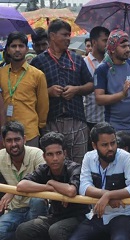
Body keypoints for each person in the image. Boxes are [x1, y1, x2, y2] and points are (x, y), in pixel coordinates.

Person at [65, 122, 130, 240]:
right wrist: (108, 195)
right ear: (94, 146)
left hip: (122, 213)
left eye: (113, 143)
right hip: (98, 214)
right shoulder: (89, 158)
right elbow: (84, 187)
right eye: (105, 145)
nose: (111, 148)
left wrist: (108, 196)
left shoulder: (125, 157)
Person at [16, 132, 89, 240]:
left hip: (79, 217)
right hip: (56, 216)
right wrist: (49, 187)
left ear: (64, 154)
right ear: (44, 156)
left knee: (56, 231)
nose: (55, 158)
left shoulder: (74, 167)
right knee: (23, 230)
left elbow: (71, 191)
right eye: (50, 154)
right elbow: (22, 185)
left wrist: (51, 182)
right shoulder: (43, 169)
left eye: (58, 153)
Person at [30, 19, 94, 164]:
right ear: (52, 36)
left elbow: (91, 85)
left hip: (76, 120)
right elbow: (30, 93)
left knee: (79, 166)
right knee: (54, 166)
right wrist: (47, 92)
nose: (68, 38)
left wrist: (77, 89)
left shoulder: (77, 59)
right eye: (64, 35)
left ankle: (76, 188)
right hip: (50, 121)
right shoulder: (38, 62)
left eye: (69, 35)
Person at [94, 29, 130, 169]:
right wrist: (122, 95)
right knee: (118, 169)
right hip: (115, 130)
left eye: (128, 45)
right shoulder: (102, 69)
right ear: (112, 49)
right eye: (123, 46)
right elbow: (99, 98)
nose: (128, 49)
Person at [0, 121, 47, 240]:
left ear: (24, 139)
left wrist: (13, 190)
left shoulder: (36, 154)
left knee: (37, 201)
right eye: (9, 140)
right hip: (16, 210)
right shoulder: (0, 156)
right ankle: (24, 237)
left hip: (37, 207)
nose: (13, 144)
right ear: (3, 142)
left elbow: (46, 183)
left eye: (17, 139)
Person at [0, 32, 49, 147]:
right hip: (5, 133)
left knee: (30, 164)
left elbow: (43, 105)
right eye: (13, 46)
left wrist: (39, 126)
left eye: (21, 46)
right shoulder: (1, 73)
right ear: (7, 50)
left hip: (29, 132)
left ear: (27, 49)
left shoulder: (37, 75)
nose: (17, 49)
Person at [83, 26, 110, 134]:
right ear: (94, 42)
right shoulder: (83, 63)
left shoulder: (111, 63)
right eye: (104, 41)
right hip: (89, 118)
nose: (107, 44)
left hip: (108, 117)